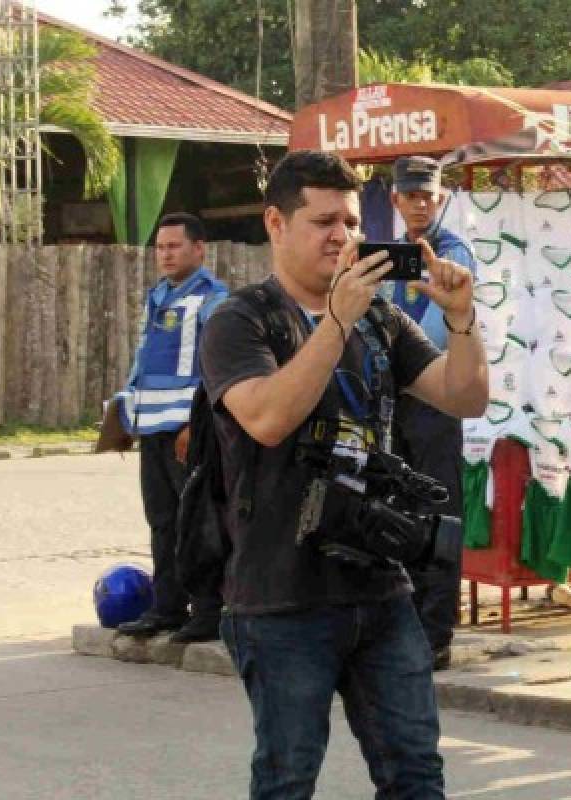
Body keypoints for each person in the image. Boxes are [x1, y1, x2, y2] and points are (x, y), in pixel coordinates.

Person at [199, 150, 487, 799]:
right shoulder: (241, 321)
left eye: (353, 222)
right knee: (288, 779)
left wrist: (463, 320)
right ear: (276, 223)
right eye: (324, 221)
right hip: (281, 597)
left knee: (415, 771)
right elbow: (268, 418)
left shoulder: (381, 319)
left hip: (380, 586)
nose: (343, 237)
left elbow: (464, 395)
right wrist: (334, 322)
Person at [115, 212, 229, 643]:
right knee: (161, 520)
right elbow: (144, 361)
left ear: (199, 249)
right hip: (152, 428)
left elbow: (215, 368)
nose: (165, 254)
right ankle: (166, 608)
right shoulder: (158, 296)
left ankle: (209, 610)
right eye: (160, 247)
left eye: (174, 246)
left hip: (188, 430)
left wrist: (194, 426)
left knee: (198, 520)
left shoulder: (214, 300)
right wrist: (126, 413)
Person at [387, 155, 477, 670]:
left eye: (429, 195)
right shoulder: (393, 252)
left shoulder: (450, 252)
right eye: (411, 195)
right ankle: (408, 622)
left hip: (435, 398)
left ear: (440, 198)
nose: (420, 202)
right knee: (400, 512)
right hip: (398, 399)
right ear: (396, 199)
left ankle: (436, 631)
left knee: (439, 514)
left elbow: (438, 333)